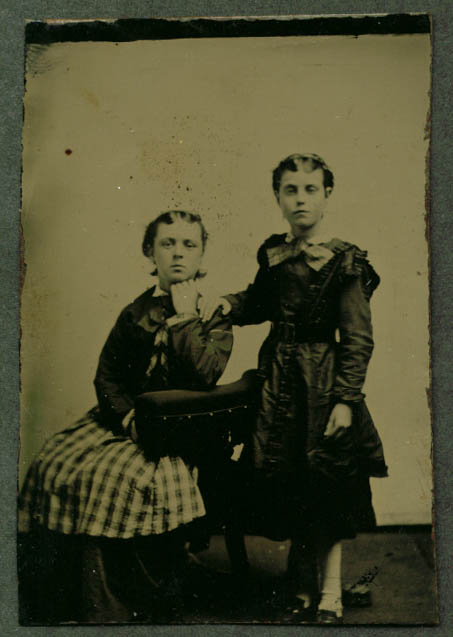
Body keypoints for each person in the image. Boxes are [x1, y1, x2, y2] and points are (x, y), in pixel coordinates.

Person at [18, 210, 233, 624]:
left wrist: (185, 317)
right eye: (167, 243)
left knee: (111, 479)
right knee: (55, 462)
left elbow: (206, 374)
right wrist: (127, 416)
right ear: (149, 252)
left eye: (189, 244)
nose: (178, 254)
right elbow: (108, 374)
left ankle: (114, 605)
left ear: (202, 253)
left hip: (181, 430)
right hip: (130, 421)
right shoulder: (135, 311)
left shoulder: (214, 314)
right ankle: (63, 594)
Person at [200, 153, 388, 623]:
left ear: (326, 194)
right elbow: (261, 301)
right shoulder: (274, 252)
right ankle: (300, 586)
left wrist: (346, 400)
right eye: (290, 190)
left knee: (327, 485)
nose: (300, 198)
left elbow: (358, 339)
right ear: (278, 197)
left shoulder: (345, 260)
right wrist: (228, 302)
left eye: (309, 189)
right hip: (279, 384)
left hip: (322, 384)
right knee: (291, 484)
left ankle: (329, 592)